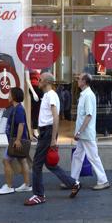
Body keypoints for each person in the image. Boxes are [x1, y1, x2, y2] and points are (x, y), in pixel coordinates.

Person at [24, 73, 80, 206]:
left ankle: (39, 195)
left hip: (48, 132)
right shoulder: (47, 96)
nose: (38, 81)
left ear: (47, 82)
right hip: (45, 132)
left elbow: (56, 117)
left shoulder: (52, 95)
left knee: (37, 164)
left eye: (41, 79)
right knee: (50, 164)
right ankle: (73, 183)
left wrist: (54, 138)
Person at [71, 73, 110, 190]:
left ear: (84, 81)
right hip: (85, 133)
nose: (77, 80)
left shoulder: (87, 95)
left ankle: (103, 180)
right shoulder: (86, 94)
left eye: (79, 79)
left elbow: (88, 115)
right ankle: (73, 180)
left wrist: (79, 132)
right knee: (79, 155)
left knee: (92, 156)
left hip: (85, 133)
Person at [0, 87, 32, 195]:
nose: (8, 96)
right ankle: (26, 184)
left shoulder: (18, 109)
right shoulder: (16, 108)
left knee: (6, 160)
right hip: (15, 140)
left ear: (14, 96)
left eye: (9, 94)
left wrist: (18, 140)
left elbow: (21, 124)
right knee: (22, 160)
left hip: (15, 141)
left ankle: (9, 186)